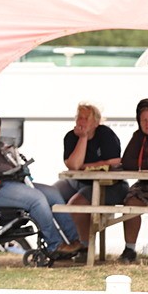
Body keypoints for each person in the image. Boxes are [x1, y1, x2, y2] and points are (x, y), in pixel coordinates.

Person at [0, 111, 82, 259]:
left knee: (53, 193)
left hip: (8, 184)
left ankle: (73, 240)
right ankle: (55, 245)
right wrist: (10, 168)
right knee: (37, 199)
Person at [52, 102, 129, 260]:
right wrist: (83, 138)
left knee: (76, 204)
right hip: (81, 182)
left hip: (110, 185)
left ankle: (84, 248)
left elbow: (115, 161)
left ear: (96, 122)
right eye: (79, 117)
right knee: (51, 197)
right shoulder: (71, 137)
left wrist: (88, 166)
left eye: (86, 118)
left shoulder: (106, 134)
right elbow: (74, 165)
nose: (81, 121)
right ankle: (61, 244)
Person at [116, 97, 148, 264]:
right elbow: (127, 162)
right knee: (131, 202)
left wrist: (141, 164)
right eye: (143, 120)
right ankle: (129, 249)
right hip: (145, 185)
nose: (147, 123)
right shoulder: (138, 136)